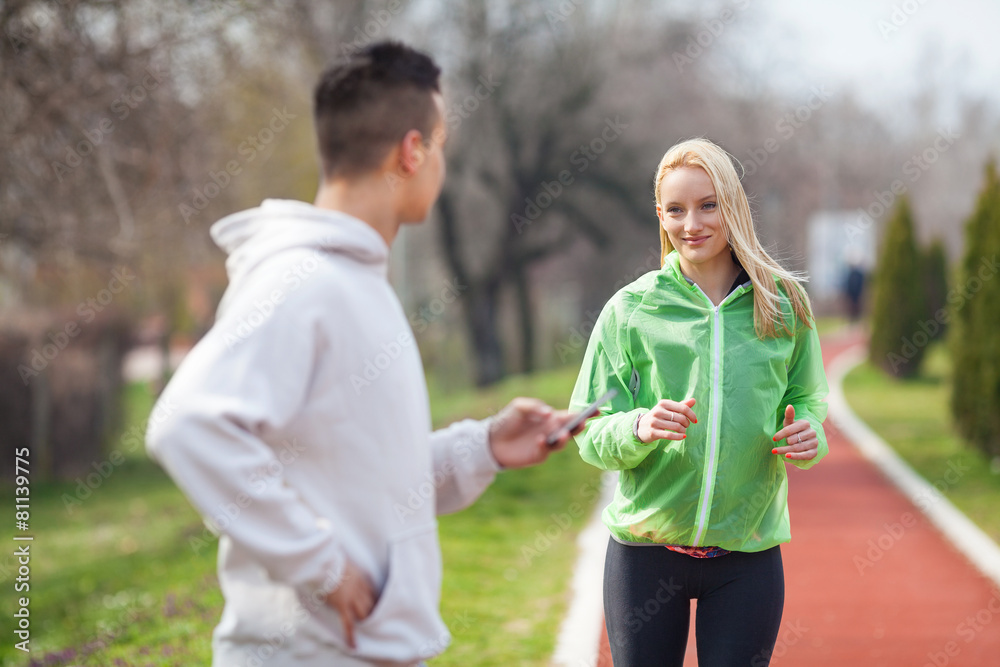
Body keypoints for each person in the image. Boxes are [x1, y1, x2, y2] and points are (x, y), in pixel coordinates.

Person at [146, 41, 585, 667]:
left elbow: (363, 477)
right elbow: (187, 424)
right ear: (412, 151)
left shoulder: (356, 284)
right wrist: (320, 565)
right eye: (441, 146)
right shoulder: (302, 281)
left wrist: (484, 447)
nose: (442, 166)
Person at [569, 138, 830, 666]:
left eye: (709, 205)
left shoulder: (781, 304)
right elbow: (589, 428)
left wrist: (809, 432)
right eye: (676, 209)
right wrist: (638, 426)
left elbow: (807, 396)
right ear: (659, 215)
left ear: (733, 204)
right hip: (645, 555)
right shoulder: (632, 309)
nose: (693, 223)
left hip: (747, 557)